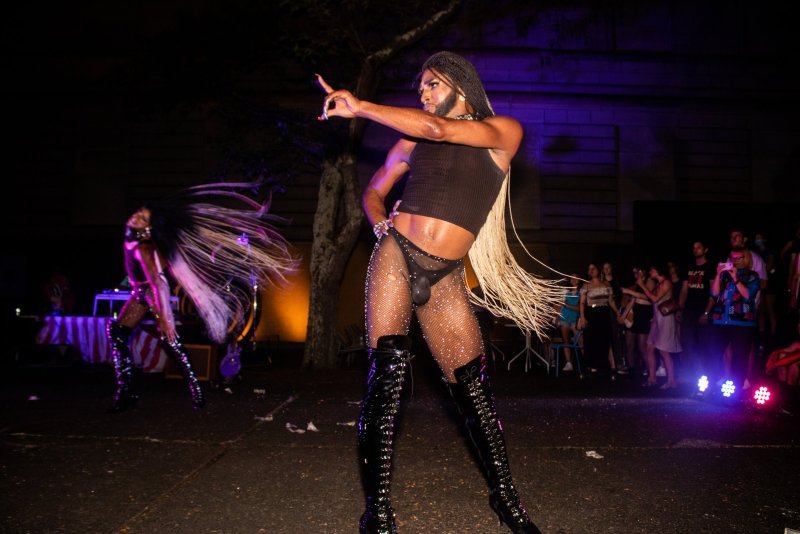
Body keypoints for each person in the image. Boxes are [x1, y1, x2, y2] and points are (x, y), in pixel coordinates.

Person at [318, 51, 562, 534]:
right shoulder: (411, 138)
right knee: (387, 377)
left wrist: (361, 106)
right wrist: (380, 223)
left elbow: (441, 130)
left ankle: (507, 503)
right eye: (421, 89)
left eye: (432, 84)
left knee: (472, 390)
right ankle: (378, 512)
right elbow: (374, 190)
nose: (424, 93)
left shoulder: (501, 132)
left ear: (461, 87)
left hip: (446, 273)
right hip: (396, 254)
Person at [107, 182, 297, 413]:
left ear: (149, 229)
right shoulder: (136, 239)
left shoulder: (144, 248)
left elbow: (158, 282)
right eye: (139, 213)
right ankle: (130, 391)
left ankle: (194, 392)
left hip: (150, 294)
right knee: (118, 331)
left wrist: (165, 318)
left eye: (144, 218)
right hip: (140, 292)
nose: (137, 217)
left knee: (168, 338)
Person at [707, 249, 760, 394]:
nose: (735, 260)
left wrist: (736, 279)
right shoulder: (724, 276)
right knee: (713, 351)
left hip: (741, 322)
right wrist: (718, 274)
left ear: (746, 259)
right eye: (732, 258)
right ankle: (716, 382)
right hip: (721, 320)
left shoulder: (752, 276)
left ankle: (738, 389)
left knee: (740, 356)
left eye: (739, 258)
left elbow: (748, 296)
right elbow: (714, 293)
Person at [624, 264, 681, 389]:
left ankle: (672, 381)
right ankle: (652, 378)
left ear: (658, 271)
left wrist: (642, 285)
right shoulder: (658, 284)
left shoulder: (666, 283)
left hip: (665, 320)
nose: (650, 272)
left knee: (664, 351)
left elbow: (654, 299)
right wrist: (632, 291)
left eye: (652, 270)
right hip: (656, 320)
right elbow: (649, 297)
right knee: (649, 348)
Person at [682, 241, 715, 384]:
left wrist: (707, 312)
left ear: (705, 249)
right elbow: (684, 289)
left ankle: (707, 377)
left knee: (704, 345)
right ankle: (694, 376)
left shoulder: (710, 267)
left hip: (703, 310)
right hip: (689, 310)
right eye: (693, 248)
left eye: (699, 247)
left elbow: (714, 292)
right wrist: (680, 308)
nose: (695, 250)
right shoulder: (689, 267)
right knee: (688, 344)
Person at [578, 263, 619, 377]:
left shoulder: (606, 284)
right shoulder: (586, 285)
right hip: (591, 313)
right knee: (591, 340)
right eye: (589, 268)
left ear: (598, 270)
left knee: (604, 340)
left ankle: (603, 366)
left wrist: (618, 313)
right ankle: (590, 366)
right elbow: (581, 303)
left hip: (604, 313)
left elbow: (611, 301)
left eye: (593, 268)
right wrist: (582, 317)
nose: (591, 270)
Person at [557, 273, 582, 372]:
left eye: (576, 278)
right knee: (566, 340)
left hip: (576, 320)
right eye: (572, 279)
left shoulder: (581, 292)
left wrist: (567, 306)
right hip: (564, 318)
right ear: (570, 280)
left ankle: (584, 362)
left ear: (579, 280)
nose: (574, 280)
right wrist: (557, 317)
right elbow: (559, 305)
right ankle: (568, 363)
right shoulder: (565, 291)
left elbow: (580, 308)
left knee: (580, 341)